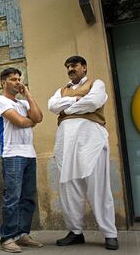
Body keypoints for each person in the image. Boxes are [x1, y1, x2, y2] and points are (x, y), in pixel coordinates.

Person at [48, 56, 119, 250]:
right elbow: (52, 106)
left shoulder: (97, 84)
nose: (71, 69)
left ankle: (110, 233)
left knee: (99, 187)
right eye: (68, 66)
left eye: (75, 65)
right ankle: (75, 232)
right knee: (68, 187)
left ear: (84, 67)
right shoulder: (61, 90)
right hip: (65, 142)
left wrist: (67, 108)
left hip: (91, 140)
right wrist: (74, 99)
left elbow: (93, 102)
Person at [0, 67, 43, 253]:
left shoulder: (23, 103)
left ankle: (23, 234)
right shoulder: (0, 101)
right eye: (13, 79)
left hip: (30, 154)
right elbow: (20, 122)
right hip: (12, 154)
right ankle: (7, 237)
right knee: (12, 198)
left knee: (28, 198)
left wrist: (28, 94)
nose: (18, 82)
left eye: (19, 79)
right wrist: (31, 122)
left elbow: (39, 116)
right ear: (3, 82)